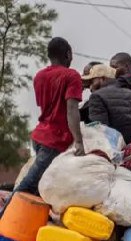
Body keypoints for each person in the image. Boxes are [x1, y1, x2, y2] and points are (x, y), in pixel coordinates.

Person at [17, 37, 84, 197]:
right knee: (27, 187)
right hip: (55, 140)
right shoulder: (71, 76)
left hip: (39, 136)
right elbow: (72, 109)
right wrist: (79, 142)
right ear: (68, 54)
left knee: (41, 188)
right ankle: (5, 216)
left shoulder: (39, 76)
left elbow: (47, 105)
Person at [84, 64, 131, 145]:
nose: (91, 87)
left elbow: (99, 129)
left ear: (102, 79)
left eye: (92, 81)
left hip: (115, 150)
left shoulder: (97, 97)